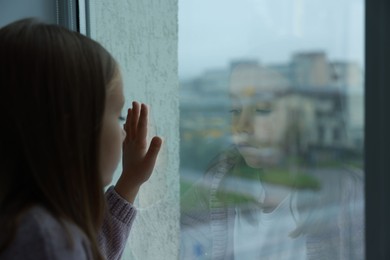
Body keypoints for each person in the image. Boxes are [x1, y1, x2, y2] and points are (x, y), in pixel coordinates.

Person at [0, 18, 162, 260]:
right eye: (117, 116)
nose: (124, 132)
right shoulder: (46, 241)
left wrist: (129, 181)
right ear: (72, 132)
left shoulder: (27, 224)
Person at [180, 62, 364, 259]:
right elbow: (168, 240)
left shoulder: (350, 194)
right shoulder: (220, 181)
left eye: (262, 109)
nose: (242, 126)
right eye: (235, 110)